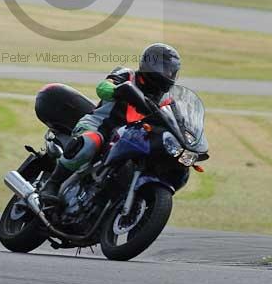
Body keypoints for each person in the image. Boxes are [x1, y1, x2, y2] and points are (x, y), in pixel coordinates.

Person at [40, 43, 182, 200]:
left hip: (131, 139)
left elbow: (177, 122)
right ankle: (52, 184)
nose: (166, 73)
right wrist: (116, 90)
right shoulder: (128, 75)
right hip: (99, 127)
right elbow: (104, 87)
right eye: (163, 68)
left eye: (170, 71)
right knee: (91, 142)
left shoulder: (167, 100)